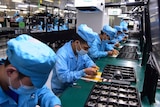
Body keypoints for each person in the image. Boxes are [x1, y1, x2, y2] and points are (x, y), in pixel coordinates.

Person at [0, 34, 61, 107]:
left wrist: (54, 104)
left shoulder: (28, 77)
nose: (34, 88)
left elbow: (42, 91)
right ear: (11, 72)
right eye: (31, 84)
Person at [51, 24, 98, 95]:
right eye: (86, 48)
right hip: (62, 91)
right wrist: (84, 71)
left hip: (75, 84)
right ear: (77, 43)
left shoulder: (79, 51)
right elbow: (63, 77)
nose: (87, 51)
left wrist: (92, 66)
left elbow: (87, 60)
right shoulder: (62, 54)